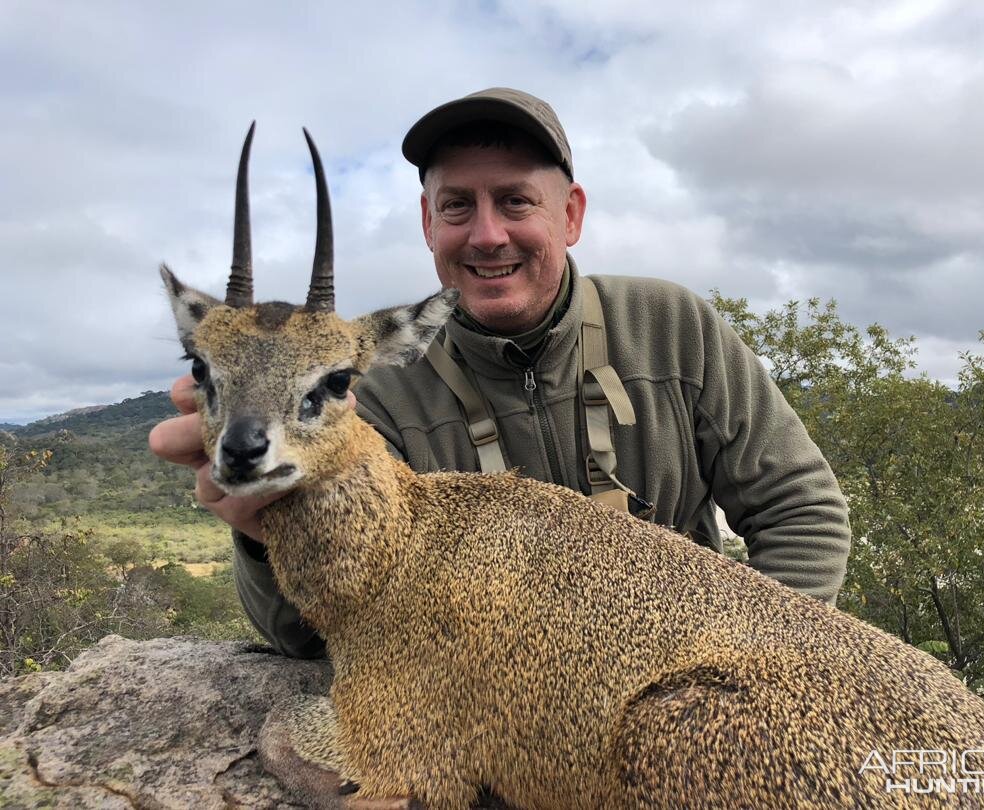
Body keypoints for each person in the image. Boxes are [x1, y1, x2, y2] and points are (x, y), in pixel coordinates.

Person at [149, 88, 851, 658]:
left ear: (569, 214)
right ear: (428, 223)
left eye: (515, 200)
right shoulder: (371, 397)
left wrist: (741, 666)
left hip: (696, 674)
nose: (487, 235)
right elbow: (304, 635)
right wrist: (263, 528)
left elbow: (801, 510)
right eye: (457, 206)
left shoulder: (668, 324)